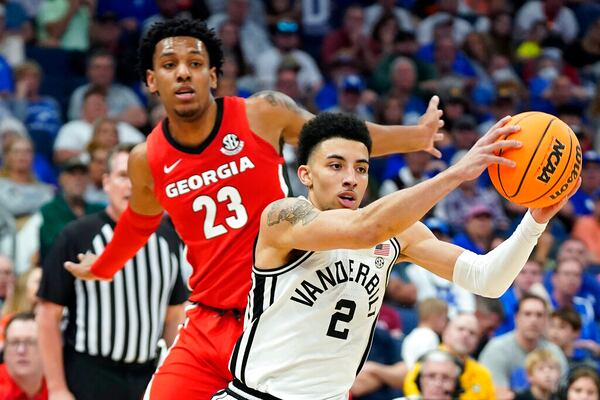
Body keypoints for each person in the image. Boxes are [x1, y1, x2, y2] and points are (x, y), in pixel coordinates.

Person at [65, 18, 448, 398]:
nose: (183, 73)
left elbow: (336, 139)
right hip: (208, 320)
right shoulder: (146, 159)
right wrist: (103, 266)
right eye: (169, 65)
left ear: (213, 76)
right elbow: (138, 221)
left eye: (195, 64)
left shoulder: (262, 113)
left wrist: (417, 136)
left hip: (278, 320)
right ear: (151, 80)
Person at [212, 112, 573, 399]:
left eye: (362, 168)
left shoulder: (396, 232)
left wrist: (534, 222)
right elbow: (363, 230)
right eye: (336, 166)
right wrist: (456, 174)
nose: (351, 178)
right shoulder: (284, 217)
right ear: (305, 174)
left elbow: (487, 280)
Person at [36, 144, 187, 400]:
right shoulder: (76, 235)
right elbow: (48, 315)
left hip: (147, 374)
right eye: (123, 176)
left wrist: (175, 376)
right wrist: (57, 388)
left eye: (142, 178)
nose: (132, 186)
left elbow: (173, 315)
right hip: (90, 375)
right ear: (106, 182)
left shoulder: (168, 237)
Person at [479, 293, 569, 399]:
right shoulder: (497, 350)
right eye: (527, 314)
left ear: (546, 320)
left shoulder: (554, 352)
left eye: (539, 315)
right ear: (516, 318)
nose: (533, 320)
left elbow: (563, 392)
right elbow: (498, 396)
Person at [403, 313, 496, 400]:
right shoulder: (429, 362)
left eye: (472, 333)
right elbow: (412, 392)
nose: (465, 335)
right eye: (460, 329)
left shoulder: (482, 373)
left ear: (478, 341)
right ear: (445, 332)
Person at [0, 312, 48, 399]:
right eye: (14, 342)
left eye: (30, 342)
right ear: (5, 350)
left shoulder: (59, 386)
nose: (21, 350)